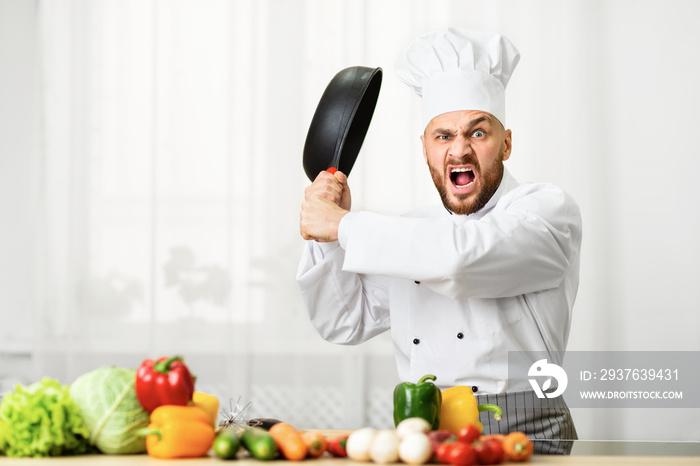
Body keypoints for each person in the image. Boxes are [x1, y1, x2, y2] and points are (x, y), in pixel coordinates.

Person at [297, 28, 581, 454]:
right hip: (421, 425)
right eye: (443, 136)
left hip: (524, 426)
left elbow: (460, 260)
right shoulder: (409, 233)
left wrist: (343, 227)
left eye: (478, 133)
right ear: (426, 149)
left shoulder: (545, 211)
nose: (459, 150)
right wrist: (327, 238)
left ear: (505, 144)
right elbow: (343, 321)